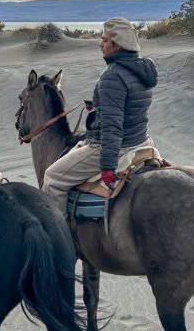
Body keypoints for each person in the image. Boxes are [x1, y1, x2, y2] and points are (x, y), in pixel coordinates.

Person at [42, 17, 158, 212]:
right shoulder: (143, 70)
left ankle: (60, 237)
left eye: (104, 40)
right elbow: (129, 106)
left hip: (118, 146)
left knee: (52, 179)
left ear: (118, 45)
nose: (99, 44)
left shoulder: (113, 76)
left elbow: (113, 126)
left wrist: (107, 166)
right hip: (141, 140)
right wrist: (99, 106)